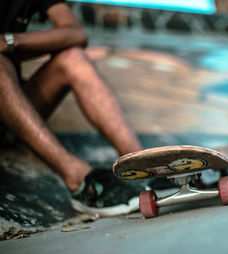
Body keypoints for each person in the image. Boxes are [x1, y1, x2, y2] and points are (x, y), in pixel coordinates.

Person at [0, 0, 145, 216]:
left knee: (73, 58)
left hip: (9, 105)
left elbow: (76, 33)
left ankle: (142, 167)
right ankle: (76, 178)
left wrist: (10, 41)